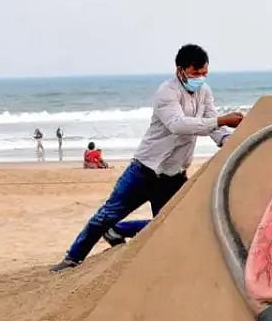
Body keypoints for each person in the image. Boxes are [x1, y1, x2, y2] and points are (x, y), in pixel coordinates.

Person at [50, 44, 243, 272]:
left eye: (204, 74)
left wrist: (229, 140)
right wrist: (222, 121)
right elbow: (178, 125)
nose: (200, 78)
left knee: (174, 223)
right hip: (145, 169)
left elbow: (211, 125)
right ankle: (72, 258)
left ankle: (120, 230)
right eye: (195, 74)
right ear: (180, 70)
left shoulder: (205, 92)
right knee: (106, 215)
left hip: (174, 174)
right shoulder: (166, 92)